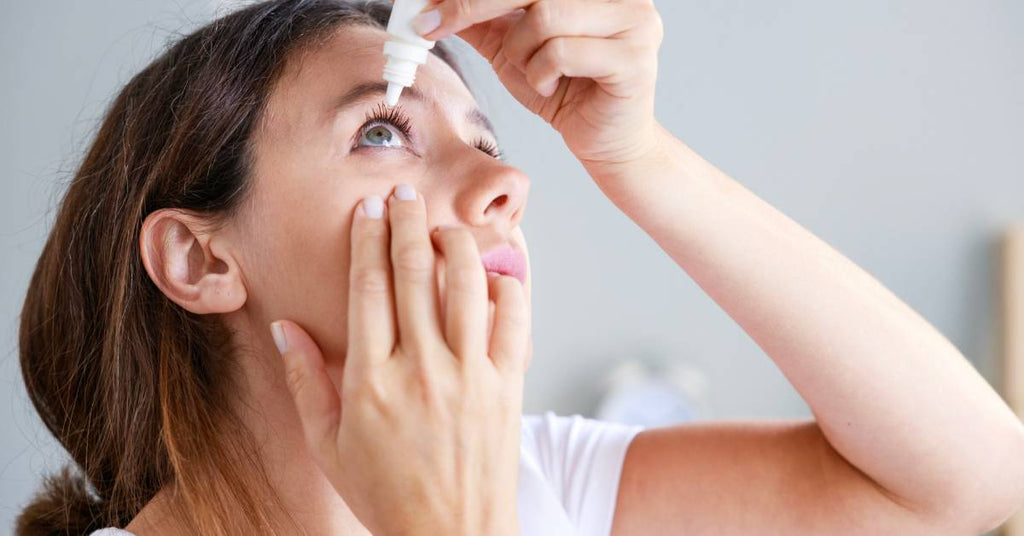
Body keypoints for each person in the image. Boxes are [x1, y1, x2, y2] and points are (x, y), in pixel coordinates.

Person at [15, 0, 1024, 535]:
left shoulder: (539, 485)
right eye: (380, 129)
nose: (505, 179)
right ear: (199, 257)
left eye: (489, 134)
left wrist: (637, 158)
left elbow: (963, 483)